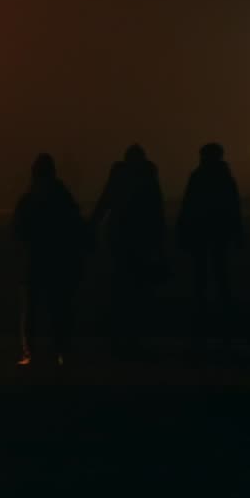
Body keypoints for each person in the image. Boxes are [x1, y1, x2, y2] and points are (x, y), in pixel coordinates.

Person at [90, 144, 167, 358]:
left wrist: (92, 226)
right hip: (140, 241)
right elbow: (157, 211)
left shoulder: (120, 178)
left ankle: (119, 335)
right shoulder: (148, 179)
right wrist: (159, 245)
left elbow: (104, 203)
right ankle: (134, 337)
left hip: (120, 240)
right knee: (137, 290)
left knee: (121, 288)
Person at [12, 153, 84, 366]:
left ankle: (30, 354)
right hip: (57, 262)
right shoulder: (63, 198)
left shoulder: (29, 200)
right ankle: (61, 352)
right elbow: (74, 226)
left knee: (32, 311)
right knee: (58, 309)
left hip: (36, 261)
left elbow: (18, 229)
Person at [176, 142, 243, 347]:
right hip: (217, 231)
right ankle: (223, 309)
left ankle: (202, 309)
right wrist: (237, 230)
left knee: (202, 273)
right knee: (219, 270)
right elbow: (233, 205)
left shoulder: (198, 177)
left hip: (201, 231)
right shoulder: (224, 177)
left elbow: (188, 204)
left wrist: (183, 228)